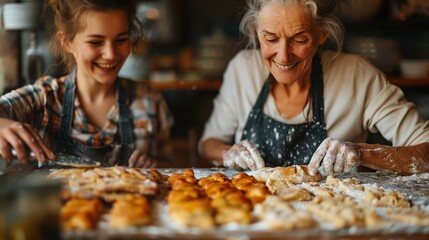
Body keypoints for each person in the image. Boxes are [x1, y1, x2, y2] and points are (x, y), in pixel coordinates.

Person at [199, 0, 429, 175]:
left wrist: (361, 153)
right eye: (270, 39)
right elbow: (209, 143)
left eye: (299, 40)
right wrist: (227, 153)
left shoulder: (358, 77)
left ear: (321, 34)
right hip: (254, 215)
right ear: (257, 33)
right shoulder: (243, 70)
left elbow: (425, 152)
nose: (283, 56)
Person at [0, 0, 173, 168]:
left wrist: (155, 166)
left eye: (121, 40)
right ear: (66, 41)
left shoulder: (151, 101)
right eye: (96, 42)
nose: (110, 54)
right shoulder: (45, 98)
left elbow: (171, 168)